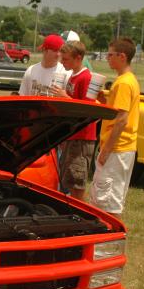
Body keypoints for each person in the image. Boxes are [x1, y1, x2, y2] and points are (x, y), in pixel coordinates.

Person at [90, 37, 140, 219]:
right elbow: (118, 112)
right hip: (122, 149)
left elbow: (121, 120)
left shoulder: (124, 83)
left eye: (110, 55)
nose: (107, 58)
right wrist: (105, 102)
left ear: (122, 56)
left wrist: (106, 150)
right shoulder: (127, 80)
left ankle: (109, 236)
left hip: (117, 150)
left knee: (107, 200)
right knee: (108, 196)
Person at [51, 40, 96, 201]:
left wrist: (65, 97)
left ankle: (77, 211)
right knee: (69, 180)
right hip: (73, 136)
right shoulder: (73, 76)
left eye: (66, 59)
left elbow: (88, 109)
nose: (62, 62)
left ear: (78, 58)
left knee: (77, 183)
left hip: (82, 138)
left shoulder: (86, 77)